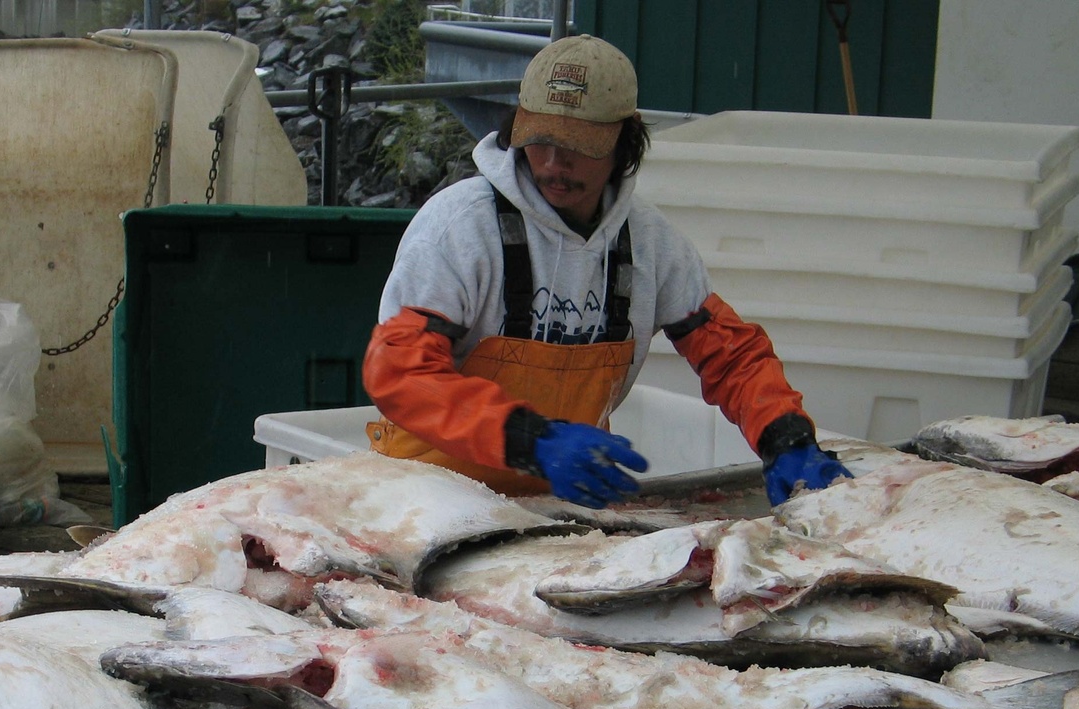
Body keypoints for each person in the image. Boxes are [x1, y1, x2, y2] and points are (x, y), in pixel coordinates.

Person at [362, 34, 850, 509]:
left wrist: (786, 438)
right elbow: (400, 372)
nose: (555, 163)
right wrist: (536, 443)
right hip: (425, 497)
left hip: (564, 504)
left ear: (625, 140)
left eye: (579, 145)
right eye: (541, 139)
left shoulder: (653, 245)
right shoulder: (457, 228)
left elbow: (733, 358)